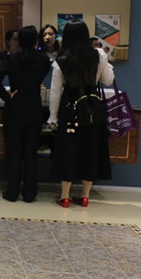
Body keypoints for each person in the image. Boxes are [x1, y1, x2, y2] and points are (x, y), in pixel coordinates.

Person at [47, 19, 114, 207]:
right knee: (91, 150)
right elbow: (108, 80)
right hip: (92, 110)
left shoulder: (61, 60)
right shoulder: (99, 55)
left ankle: (65, 196)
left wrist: (53, 117)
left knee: (68, 151)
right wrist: (107, 63)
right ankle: (84, 196)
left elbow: (55, 92)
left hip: (70, 111)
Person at [0, 26, 51, 202]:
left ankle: (12, 193)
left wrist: (7, 97)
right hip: (34, 108)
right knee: (30, 154)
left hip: (15, 108)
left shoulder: (12, 59)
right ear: (36, 41)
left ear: (20, 42)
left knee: (14, 153)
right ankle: (30, 194)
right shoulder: (44, 60)